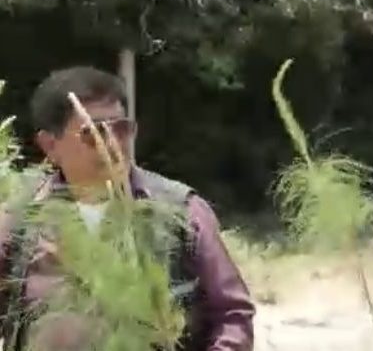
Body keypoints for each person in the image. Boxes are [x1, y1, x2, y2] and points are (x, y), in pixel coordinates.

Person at [0, 66, 255, 350]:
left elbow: (232, 316)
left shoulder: (180, 211)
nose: (112, 143)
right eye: (94, 132)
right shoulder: (20, 223)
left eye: (121, 129)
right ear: (50, 145)